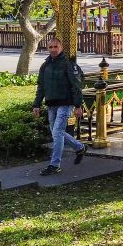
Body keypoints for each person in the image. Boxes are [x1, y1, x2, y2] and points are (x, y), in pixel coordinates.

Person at [32, 37, 87, 175]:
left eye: (55, 47)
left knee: (57, 132)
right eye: (50, 47)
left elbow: (77, 86)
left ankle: (54, 164)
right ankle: (80, 147)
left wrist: (78, 106)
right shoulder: (45, 66)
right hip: (51, 104)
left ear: (61, 47)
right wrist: (36, 104)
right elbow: (41, 87)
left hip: (65, 104)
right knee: (57, 133)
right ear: (47, 48)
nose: (53, 49)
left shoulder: (69, 64)